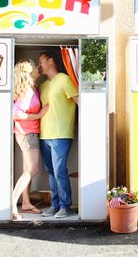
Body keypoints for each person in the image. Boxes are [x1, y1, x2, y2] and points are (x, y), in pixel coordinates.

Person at [38, 51, 78, 218]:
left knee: (59, 170)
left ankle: (65, 206)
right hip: (44, 135)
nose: (39, 65)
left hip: (61, 134)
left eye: (41, 62)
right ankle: (55, 205)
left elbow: (79, 101)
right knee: (51, 172)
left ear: (51, 61)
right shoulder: (42, 85)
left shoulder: (64, 79)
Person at [11, 59, 49, 221]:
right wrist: (39, 115)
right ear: (28, 73)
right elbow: (17, 114)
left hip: (26, 133)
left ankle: (25, 203)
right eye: (34, 67)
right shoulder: (27, 91)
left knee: (27, 169)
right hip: (28, 134)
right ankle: (12, 204)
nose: (37, 68)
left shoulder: (32, 88)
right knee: (32, 170)